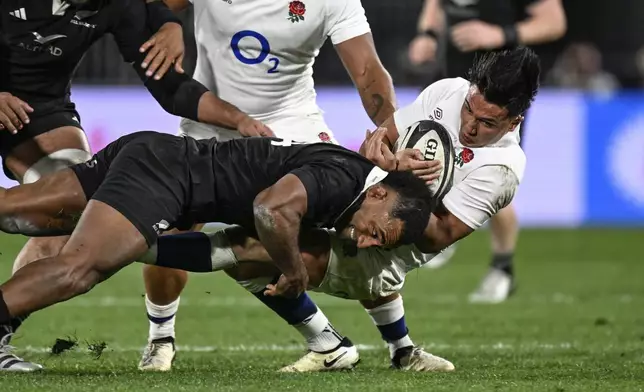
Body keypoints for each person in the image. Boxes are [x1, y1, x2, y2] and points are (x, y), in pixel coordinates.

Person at [197, 47, 538, 372]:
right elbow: (377, 142)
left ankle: (328, 345)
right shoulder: (449, 91)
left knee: (245, 251)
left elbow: (435, 238)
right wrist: (381, 158)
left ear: (513, 122)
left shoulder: (502, 169)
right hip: (362, 200)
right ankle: (402, 350)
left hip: (386, 250)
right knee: (268, 213)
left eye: (488, 123)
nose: (470, 126)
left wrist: (392, 180)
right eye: (469, 110)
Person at [0, 0, 272, 371]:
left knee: (78, 211)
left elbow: (171, 88)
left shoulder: (114, 4)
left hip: (37, 113)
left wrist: (239, 120)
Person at [139, 0, 398, 371]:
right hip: (211, 122)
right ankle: (161, 338)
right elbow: (155, 7)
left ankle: (401, 345)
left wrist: (394, 136)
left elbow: (368, 71)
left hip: (291, 123)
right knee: (170, 229)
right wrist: (169, 26)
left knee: (353, 217)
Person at [0, 131, 436, 338]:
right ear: (379, 194)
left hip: (155, 152)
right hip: (167, 177)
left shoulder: (346, 187)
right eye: (378, 232)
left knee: (20, 213)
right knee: (80, 270)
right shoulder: (343, 181)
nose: (365, 243)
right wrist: (295, 271)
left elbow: (235, 247)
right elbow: (271, 208)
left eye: (380, 246)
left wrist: (139, 249)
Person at [406, 0, 566, 303]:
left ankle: (501, 267)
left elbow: (554, 22)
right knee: (427, 154)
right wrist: (427, 34)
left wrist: (500, 34)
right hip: (458, 88)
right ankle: (441, 221)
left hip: (500, 100)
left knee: (492, 174)